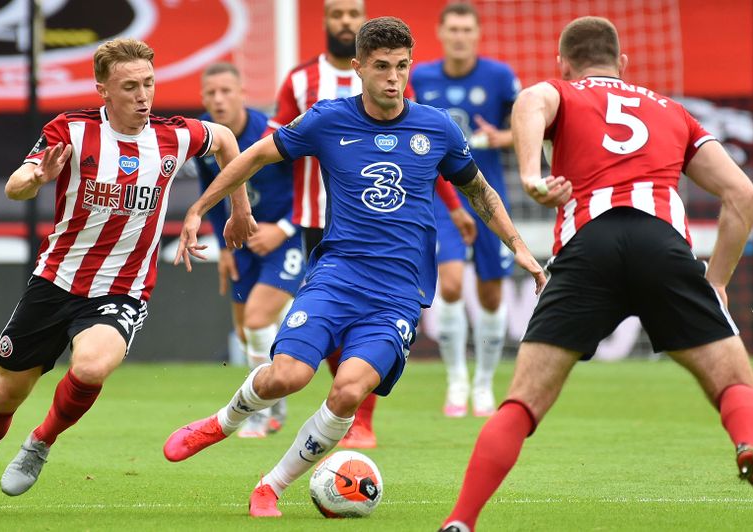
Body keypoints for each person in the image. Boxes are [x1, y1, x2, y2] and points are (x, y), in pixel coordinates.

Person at [162, 17, 545, 518]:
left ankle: (270, 487)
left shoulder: (437, 128)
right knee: (287, 377)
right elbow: (254, 156)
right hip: (337, 276)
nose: (393, 77)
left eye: (402, 66)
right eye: (382, 67)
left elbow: (478, 189)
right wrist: (203, 209)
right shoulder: (327, 120)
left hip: (398, 295)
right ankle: (222, 422)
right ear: (358, 67)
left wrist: (516, 243)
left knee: (348, 390)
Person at [439, 17, 753, 531]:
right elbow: (743, 195)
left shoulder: (560, 91)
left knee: (522, 404)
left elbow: (531, 103)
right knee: (733, 384)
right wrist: (716, 282)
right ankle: (747, 446)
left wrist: (529, 177)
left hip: (589, 246)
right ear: (623, 64)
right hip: (663, 247)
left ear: (563, 63)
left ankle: (461, 521)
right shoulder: (673, 111)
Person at [0, 38, 247, 513]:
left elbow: (227, 142)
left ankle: (41, 441)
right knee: (4, 395)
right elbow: (16, 185)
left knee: (92, 364)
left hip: (122, 288)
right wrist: (33, 180)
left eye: (149, 84)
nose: (143, 96)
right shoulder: (70, 131)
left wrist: (236, 209)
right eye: (130, 86)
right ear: (103, 91)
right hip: (55, 281)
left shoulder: (173, 136)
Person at [269, 0, 475, 448]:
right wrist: (270, 215)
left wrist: (454, 205)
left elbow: (417, 155)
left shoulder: (392, 74)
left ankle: (359, 414)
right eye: (337, 14)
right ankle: (308, 404)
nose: (345, 21)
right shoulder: (300, 81)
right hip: (315, 217)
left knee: (369, 321)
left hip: (385, 221)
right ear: (326, 23)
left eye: (352, 13)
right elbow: (274, 150)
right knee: (326, 321)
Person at [411, 2, 522, 418]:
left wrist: (502, 138)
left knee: (492, 294)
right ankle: (456, 380)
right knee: (452, 284)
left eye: (466, 30)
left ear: (477, 35)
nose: (460, 36)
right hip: (444, 198)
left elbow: (529, 129)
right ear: (441, 33)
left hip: (488, 197)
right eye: (453, 29)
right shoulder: (420, 77)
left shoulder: (499, 77)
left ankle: (484, 383)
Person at [194, 62, 301, 438]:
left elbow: (312, 187)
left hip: (287, 239)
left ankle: (269, 408)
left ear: (242, 93)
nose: (219, 99)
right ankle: (270, 393)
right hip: (241, 243)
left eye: (226, 91)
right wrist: (223, 248)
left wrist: (283, 228)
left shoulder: (275, 134)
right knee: (245, 333)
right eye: (211, 93)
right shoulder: (207, 139)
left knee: (256, 320)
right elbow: (212, 192)